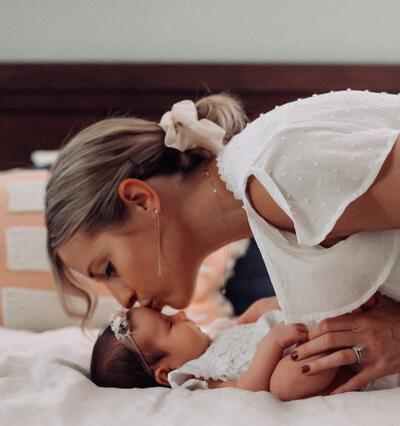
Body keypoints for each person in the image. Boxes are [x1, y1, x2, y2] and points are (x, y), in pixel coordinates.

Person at [45, 90, 400, 393]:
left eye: (108, 268)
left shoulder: (274, 178)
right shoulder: (263, 195)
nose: (124, 298)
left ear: (141, 200)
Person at [91, 299, 351, 400]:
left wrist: (259, 310)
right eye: (170, 324)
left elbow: (242, 332)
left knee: (267, 307)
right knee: (284, 381)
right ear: (166, 372)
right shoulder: (195, 377)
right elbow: (247, 390)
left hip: (293, 331)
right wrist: (271, 344)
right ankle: (335, 360)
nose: (181, 314)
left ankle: (332, 319)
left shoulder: (214, 334)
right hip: (289, 357)